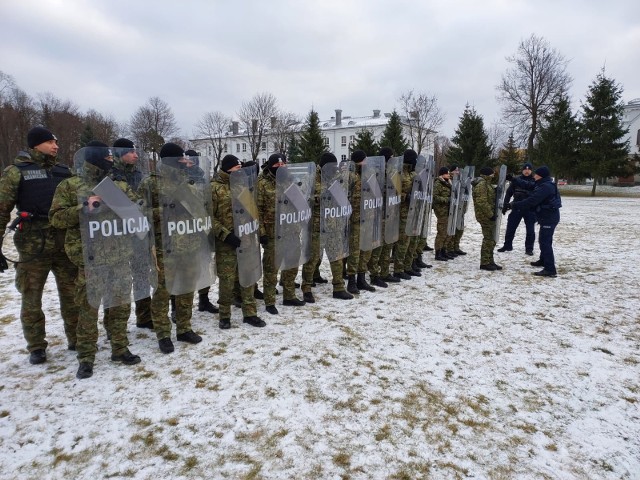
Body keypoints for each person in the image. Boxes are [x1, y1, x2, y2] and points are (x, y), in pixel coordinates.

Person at [50, 141, 141, 379]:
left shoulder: (118, 185)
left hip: (119, 255)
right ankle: (86, 357)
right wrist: (83, 207)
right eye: (108, 157)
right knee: (88, 309)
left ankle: (119, 349)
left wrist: (131, 207)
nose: (112, 161)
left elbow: (138, 215)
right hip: (90, 259)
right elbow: (56, 219)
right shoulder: (70, 185)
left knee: (121, 306)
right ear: (94, 158)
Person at [0, 126, 78, 365]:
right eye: (50, 142)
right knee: (31, 297)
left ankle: (76, 338)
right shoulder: (16, 172)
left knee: (72, 294)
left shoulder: (65, 172)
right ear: (36, 145)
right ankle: (36, 346)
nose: (56, 146)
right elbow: (2, 209)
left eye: (56, 142)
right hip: (33, 245)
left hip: (64, 244)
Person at [138, 143, 204, 355]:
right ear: (172, 160)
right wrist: (167, 209)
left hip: (189, 244)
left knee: (186, 288)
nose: (187, 162)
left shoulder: (188, 184)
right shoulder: (150, 183)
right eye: (182, 158)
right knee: (162, 292)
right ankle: (163, 334)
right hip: (164, 248)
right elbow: (139, 213)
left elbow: (199, 212)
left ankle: (184, 327)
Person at [211, 154, 265, 328]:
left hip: (246, 239)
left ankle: (250, 313)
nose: (240, 170)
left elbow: (253, 212)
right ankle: (224, 315)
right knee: (227, 281)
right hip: (226, 243)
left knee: (248, 277)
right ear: (228, 168)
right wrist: (225, 235)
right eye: (236, 167)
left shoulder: (242, 186)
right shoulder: (214, 188)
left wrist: (259, 232)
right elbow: (208, 218)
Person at [107, 137, 153, 330]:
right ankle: (112, 326)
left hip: (138, 232)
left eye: (135, 152)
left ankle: (144, 316)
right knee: (115, 280)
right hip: (115, 236)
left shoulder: (139, 175)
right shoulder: (108, 174)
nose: (135, 155)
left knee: (142, 274)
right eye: (131, 152)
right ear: (119, 154)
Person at [257, 153, 305, 314]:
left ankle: (289, 296)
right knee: (271, 270)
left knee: (292, 265)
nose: (281, 168)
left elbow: (300, 204)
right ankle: (269, 301)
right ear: (270, 167)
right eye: (277, 166)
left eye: (283, 165)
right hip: (272, 235)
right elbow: (257, 211)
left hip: (291, 232)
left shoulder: (291, 182)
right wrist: (262, 233)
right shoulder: (262, 184)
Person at [510, 166, 561, 277]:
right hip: (546, 217)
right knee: (544, 241)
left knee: (545, 242)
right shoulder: (542, 184)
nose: (534, 175)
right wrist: (514, 179)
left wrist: (514, 205)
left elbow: (532, 201)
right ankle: (543, 260)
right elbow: (528, 185)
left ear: (541, 175)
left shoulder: (546, 187)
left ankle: (550, 269)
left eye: (536, 174)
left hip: (549, 218)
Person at [390, 149, 419, 280]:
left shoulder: (412, 174)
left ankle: (407, 266)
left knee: (408, 241)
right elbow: (392, 192)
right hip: (399, 213)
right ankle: (398, 269)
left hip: (411, 211)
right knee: (402, 243)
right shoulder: (398, 173)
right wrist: (405, 196)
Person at [498, 162, 536, 255]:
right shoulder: (516, 180)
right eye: (525, 169)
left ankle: (529, 249)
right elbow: (509, 193)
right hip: (516, 207)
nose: (527, 171)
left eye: (529, 169)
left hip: (529, 209)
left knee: (530, 230)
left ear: (531, 171)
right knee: (510, 227)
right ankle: (507, 245)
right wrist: (505, 204)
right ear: (522, 170)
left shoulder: (534, 181)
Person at [472, 166, 502, 271]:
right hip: (485, 216)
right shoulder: (482, 184)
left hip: (486, 215)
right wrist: (490, 214)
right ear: (488, 175)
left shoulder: (486, 184)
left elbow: (488, 196)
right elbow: (482, 202)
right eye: (492, 174)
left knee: (491, 239)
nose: (493, 175)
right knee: (488, 238)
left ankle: (490, 260)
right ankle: (485, 262)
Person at [432, 166, 454, 261]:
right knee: (441, 232)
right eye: (447, 173)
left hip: (449, 211)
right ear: (442, 174)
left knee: (447, 232)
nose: (449, 175)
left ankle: (444, 250)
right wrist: (447, 200)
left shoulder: (448, 183)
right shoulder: (438, 183)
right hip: (441, 211)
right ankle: (438, 252)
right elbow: (435, 197)